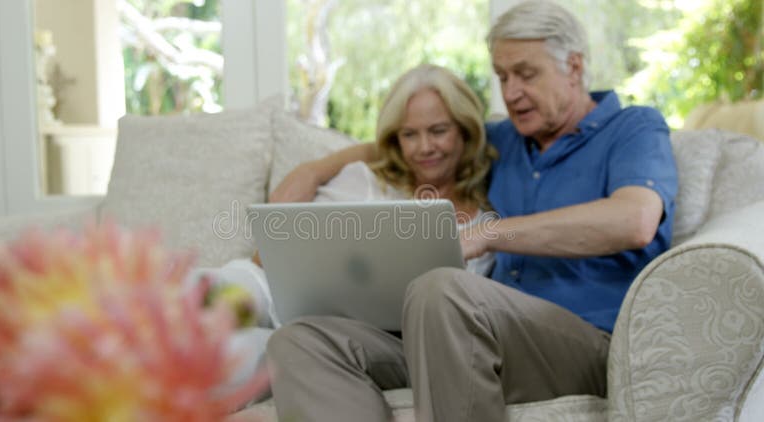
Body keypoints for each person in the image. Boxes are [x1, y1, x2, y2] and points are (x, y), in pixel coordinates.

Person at [265, 1, 678, 421]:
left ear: (574, 66)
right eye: (502, 76)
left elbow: (635, 220)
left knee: (441, 288)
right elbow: (409, 142)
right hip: (470, 335)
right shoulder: (510, 139)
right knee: (301, 340)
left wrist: (492, 233)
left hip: (581, 344)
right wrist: (315, 169)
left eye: (525, 73)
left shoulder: (634, 129)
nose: (511, 92)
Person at [194, 63, 498, 394]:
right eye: (409, 134)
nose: (424, 147)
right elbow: (278, 252)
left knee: (226, 360)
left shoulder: (482, 228)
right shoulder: (367, 179)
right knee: (205, 291)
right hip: (274, 292)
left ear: (465, 131)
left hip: (338, 339)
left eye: (438, 131)